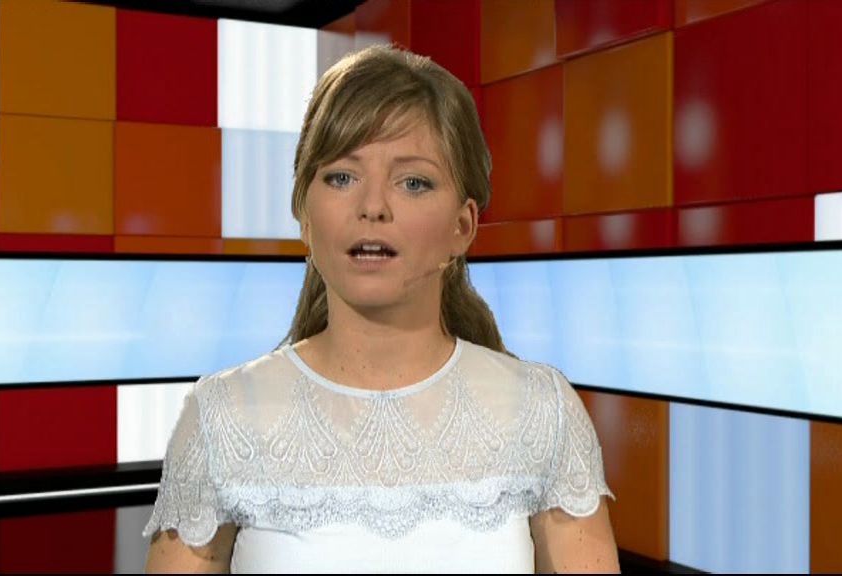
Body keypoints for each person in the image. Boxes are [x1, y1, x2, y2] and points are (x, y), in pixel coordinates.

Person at [143, 44, 619, 573]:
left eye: (413, 182)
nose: (372, 207)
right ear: (304, 215)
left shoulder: (543, 410)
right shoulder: (222, 415)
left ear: (463, 226)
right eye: (342, 177)